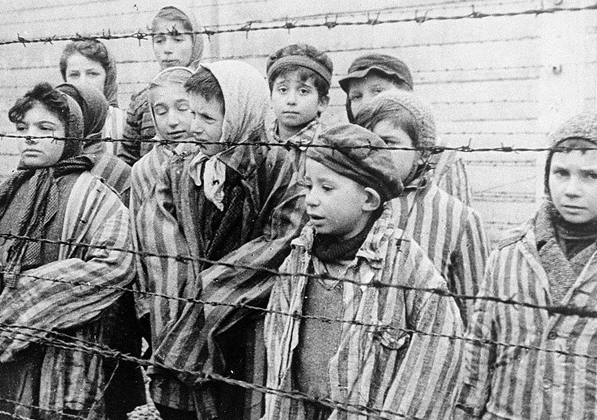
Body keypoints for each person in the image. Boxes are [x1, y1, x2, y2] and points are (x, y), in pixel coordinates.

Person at [0, 82, 135, 419]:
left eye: (45, 128)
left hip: (62, 345)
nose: (30, 136)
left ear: (71, 135)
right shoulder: (7, 190)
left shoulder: (97, 197)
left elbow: (115, 265)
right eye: (23, 128)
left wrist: (25, 303)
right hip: (1, 347)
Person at [137, 60, 306, 419]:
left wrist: (209, 289)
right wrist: (181, 312)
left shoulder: (277, 166)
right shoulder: (181, 169)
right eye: (192, 114)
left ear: (239, 118)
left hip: (248, 317)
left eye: (208, 119)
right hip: (186, 319)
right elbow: (162, 243)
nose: (194, 127)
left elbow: (281, 239)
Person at [456, 110, 597, 419]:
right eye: (561, 173)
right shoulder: (509, 254)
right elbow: (477, 357)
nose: (571, 189)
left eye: (591, 175)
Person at [264, 123, 463, 419]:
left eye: (326, 188)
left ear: (368, 200)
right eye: (309, 186)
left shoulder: (403, 264)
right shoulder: (298, 258)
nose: (311, 199)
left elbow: (439, 349)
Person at [355, 90, 489, 323]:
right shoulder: (349, 203)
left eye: (388, 142)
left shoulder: (458, 219)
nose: (376, 153)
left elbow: (475, 318)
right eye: (369, 142)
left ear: (422, 153)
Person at [54, 82, 144, 418]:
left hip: (107, 299)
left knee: (110, 388)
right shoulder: (47, 164)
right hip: (59, 294)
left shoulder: (115, 170)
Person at [340, 53, 472, 205]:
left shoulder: (444, 159)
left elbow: (456, 220)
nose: (367, 103)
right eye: (356, 96)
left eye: (378, 91)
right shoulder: (347, 151)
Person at [130, 66, 195, 352]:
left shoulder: (206, 158)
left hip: (200, 292)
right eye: (162, 110)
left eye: (183, 108)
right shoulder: (143, 170)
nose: (172, 121)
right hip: (160, 293)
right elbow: (136, 240)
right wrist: (142, 301)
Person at [124, 6, 205, 165]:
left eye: (177, 39)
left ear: (195, 42)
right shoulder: (142, 101)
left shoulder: (211, 93)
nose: (167, 50)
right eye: (159, 40)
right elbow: (128, 158)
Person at [56, 82, 132, 205]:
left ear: (93, 116)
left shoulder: (117, 171)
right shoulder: (42, 160)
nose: (64, 122)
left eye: (72, 116)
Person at [265, 43, 332, 177]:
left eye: (303, 91)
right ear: (271, 97)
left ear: (322, 102)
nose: (291, 100)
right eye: (283, 90)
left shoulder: (329, 147)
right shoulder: (257, 143)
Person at [59, 39, 130, 162]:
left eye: (92, 74)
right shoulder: (54, 121)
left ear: (107, 78)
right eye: (74, 75)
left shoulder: (124, 124)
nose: (83, 82)